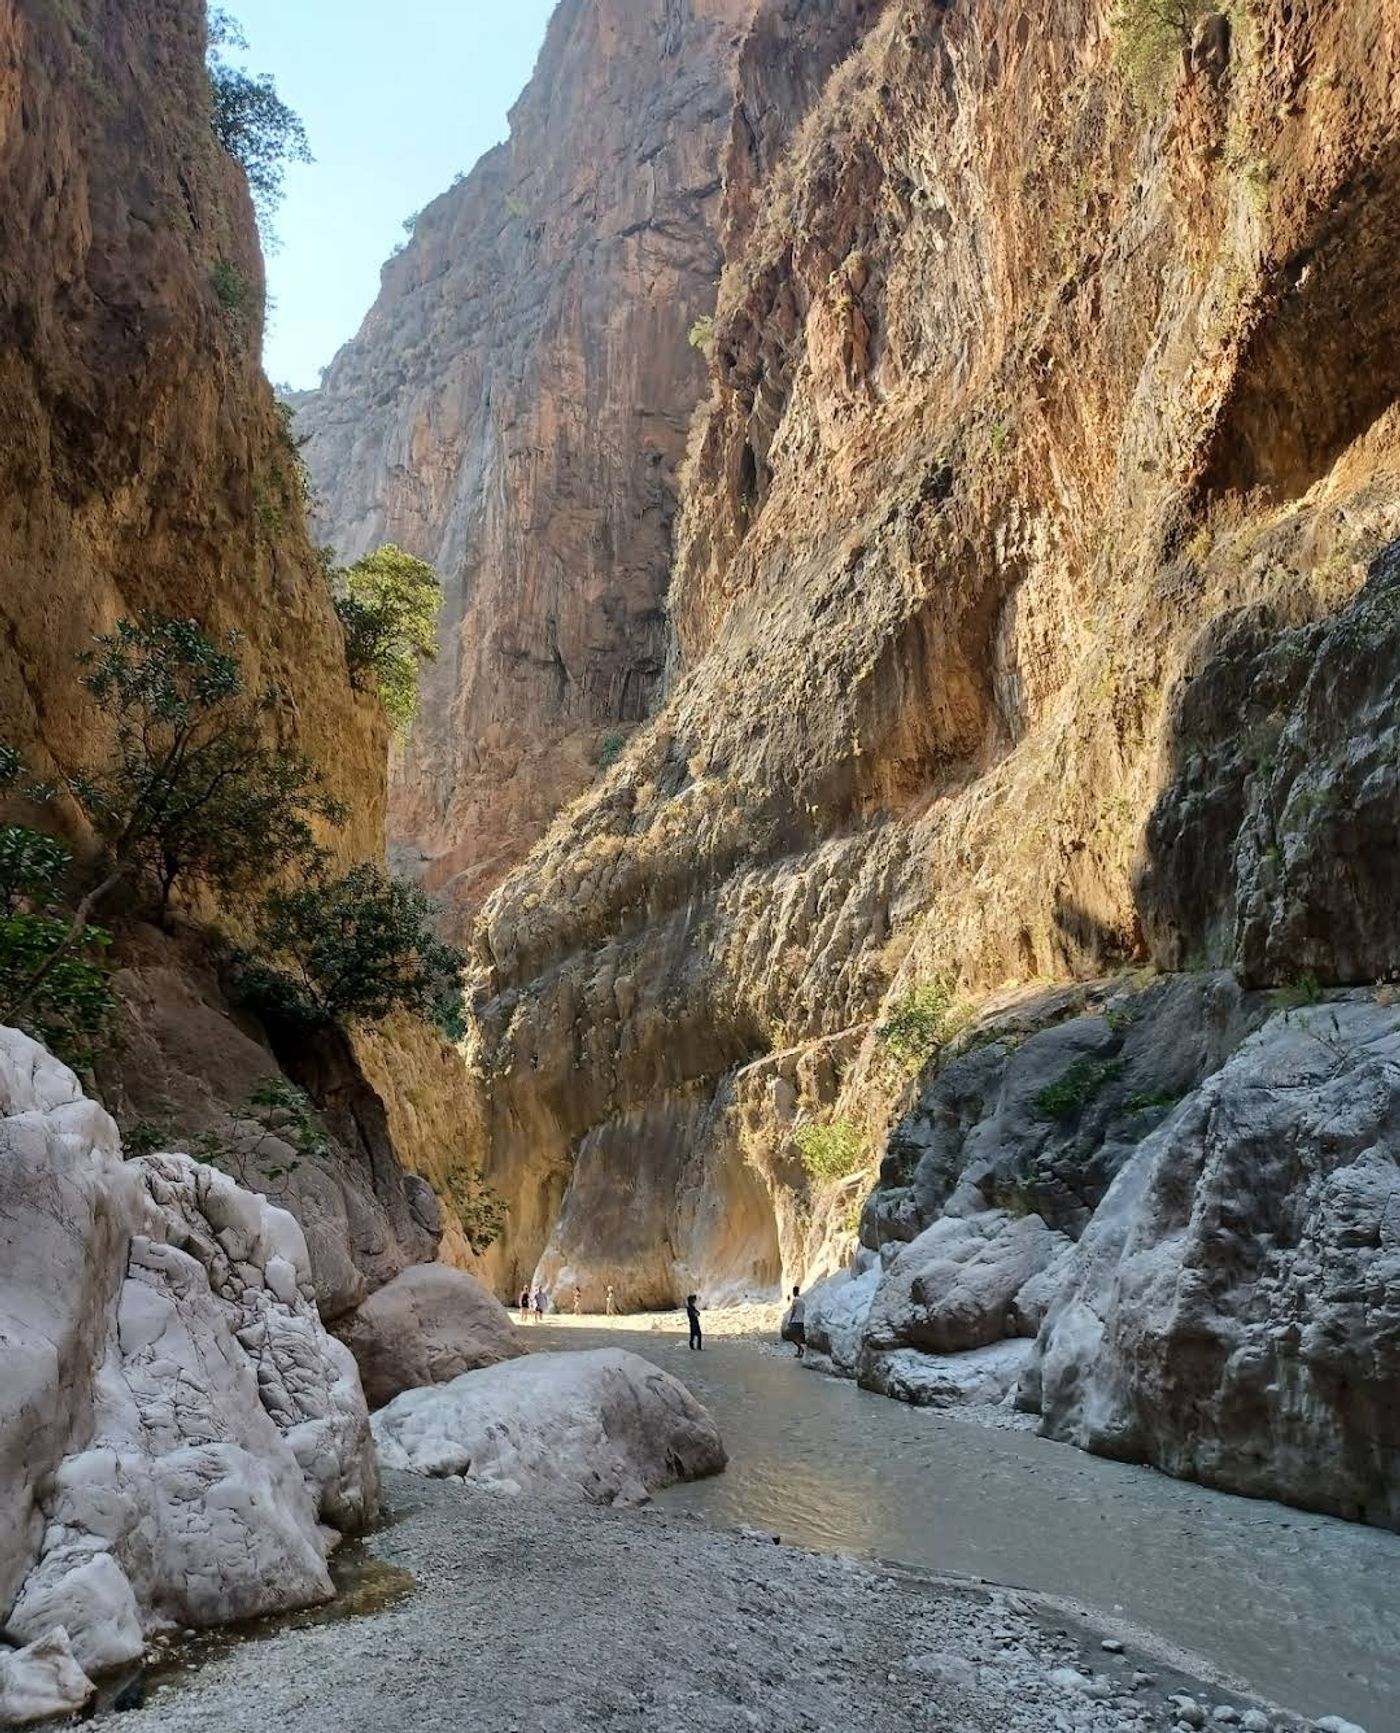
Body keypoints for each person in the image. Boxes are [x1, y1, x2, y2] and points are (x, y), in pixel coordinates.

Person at [787, 1284, 807, 1359]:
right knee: (799, 1337)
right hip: (801, 1321)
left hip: (795, 1321)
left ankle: (801, 1349)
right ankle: (799, 1353)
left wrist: (790, 1320)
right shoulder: (802, 1301)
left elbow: (793, 1311)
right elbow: (804, 1311)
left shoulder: (795, 1300)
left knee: (792, 1336)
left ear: (794, 1292)